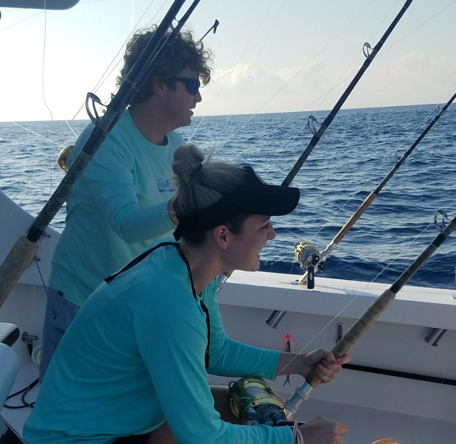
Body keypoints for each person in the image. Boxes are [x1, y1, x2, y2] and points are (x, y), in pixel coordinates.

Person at [24, 144, 351, 444]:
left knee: (255, 405)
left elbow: (216, 352)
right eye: (264, 225)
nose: (273, 235)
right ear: (222, 236)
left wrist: (300, 364)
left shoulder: (180, 265)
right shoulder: (169, 303)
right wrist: (299, 438)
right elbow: (202, 437)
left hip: (118, 423)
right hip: (79, 440)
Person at [39, 26, 212, 380]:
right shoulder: (106, 139)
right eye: (192, 85)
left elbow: (174, 231)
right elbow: (127, 224)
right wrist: (187, 206)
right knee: (70, 409)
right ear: (160, 85)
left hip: (138, 302)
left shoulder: (175, 144)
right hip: (84, 301)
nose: (198, 97)